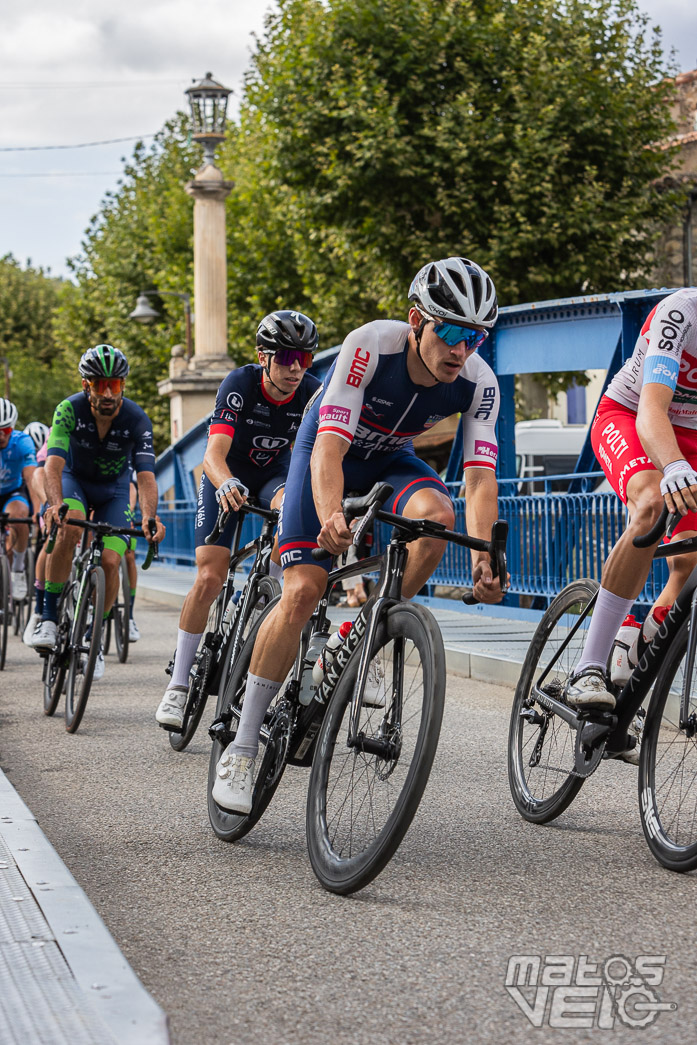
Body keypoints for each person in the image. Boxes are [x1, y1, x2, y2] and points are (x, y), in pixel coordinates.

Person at [211, 257, 504, 814]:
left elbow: (479, 476)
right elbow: (328, 449)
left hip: (391, 458)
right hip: (327, 451)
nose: (462, 350)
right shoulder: (370, 345)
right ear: (417, 320)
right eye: (452, 332)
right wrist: (328, 513)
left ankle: (363, 635)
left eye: (476, 337)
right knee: (300, 592)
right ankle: (243, 745)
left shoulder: (477, 382)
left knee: (436, 516)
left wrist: (485, 555)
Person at [156, 310, 322, 730]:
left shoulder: (313, 393)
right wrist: (226, 482)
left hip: (273, 477)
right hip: (227, 474)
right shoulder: (240, 383)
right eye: (286, 358)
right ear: (263, 357)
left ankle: (256, 596)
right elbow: (212, 455)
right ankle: (177, 686)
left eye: (304, 358)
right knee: (210, 577)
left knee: (290, 505)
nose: (296, 368)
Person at [565, 287, 697, 722]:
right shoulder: (681, 313)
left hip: (692, 437)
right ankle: (591, 665)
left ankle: (634, 650)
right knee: (652, 503)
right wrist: (673, 464)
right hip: (632, 414)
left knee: (690, 562)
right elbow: (651, 410)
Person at [28, 345, 165, 680]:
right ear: (86, 384)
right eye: (99, 383)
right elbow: (53, 466)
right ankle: (47, 616)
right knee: (70, 527)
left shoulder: (136, 419)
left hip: (114, 491)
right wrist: (54, 503)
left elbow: (146, 477)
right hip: (74, 482)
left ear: (122, 386)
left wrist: (150, 516)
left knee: (111, 560)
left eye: (115, 385)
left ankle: (95, 637)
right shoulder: (68, 409)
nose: (107, 392)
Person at [0, 398, 38, 601]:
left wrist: (38, 509)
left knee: (19, 515)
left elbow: (32, 476)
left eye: (5, 431)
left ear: (12, 429)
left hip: (12, 492)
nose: (0, 436)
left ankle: (17, 569)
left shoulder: (22, 441)